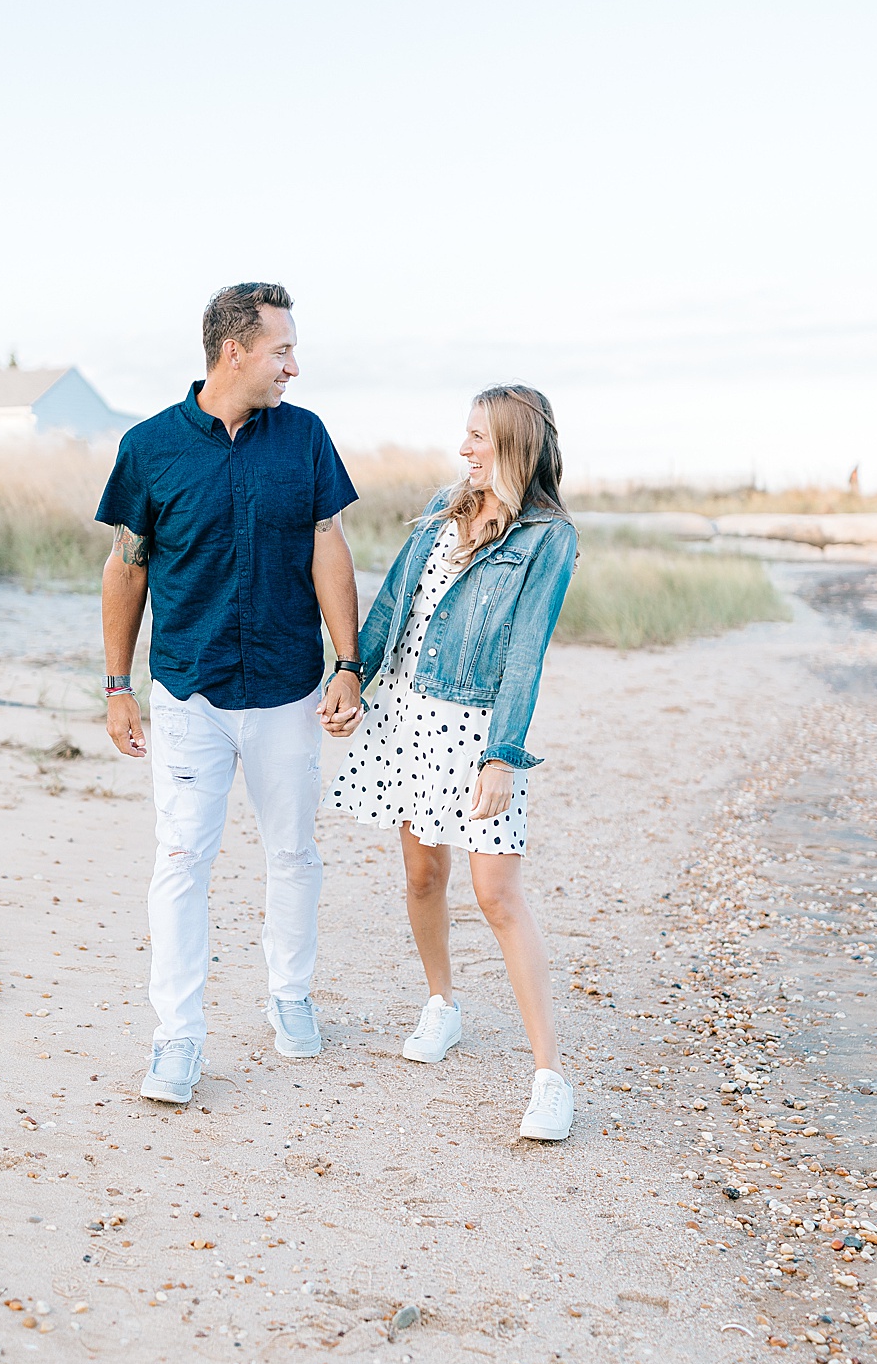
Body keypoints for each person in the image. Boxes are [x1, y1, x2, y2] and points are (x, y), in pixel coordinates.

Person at [96, 282, 364, 1106]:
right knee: (181, 861)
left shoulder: (306, 437)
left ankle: (290, 995)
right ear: (234, 350)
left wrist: (348, 661)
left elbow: (329, 544)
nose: (294, 364)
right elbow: (128, 564)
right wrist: (116, 684)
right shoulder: (150, 447)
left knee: (293, 855)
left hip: (288, 690)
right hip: (189, 695)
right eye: (282, 349)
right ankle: (176, 1040)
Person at [324, 385, 578, 1141]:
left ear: (513, 445)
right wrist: (352, 675)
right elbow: (397, 600)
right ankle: (443, 1004)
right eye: (463, 436)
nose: (463, 449)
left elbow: (526, 652)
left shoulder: (548, 538)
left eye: (476, 437)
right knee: (422, 875)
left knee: (498, 895)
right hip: (410, 713)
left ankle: (550, 1077)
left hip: (476, 727)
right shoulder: (446, 504)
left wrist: (501, 758)